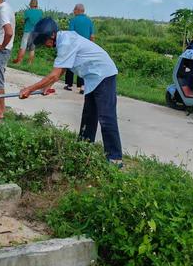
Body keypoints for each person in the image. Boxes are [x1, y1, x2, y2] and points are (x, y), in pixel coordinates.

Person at [19, 17, 122, 165]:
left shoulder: (66, 42)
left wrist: (29, 89)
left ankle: (115, 157)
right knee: (89, 115)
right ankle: (83, 148)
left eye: (45, 40)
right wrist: (46, 87)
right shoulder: (63, 40)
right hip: (93, 77)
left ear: (52, 35)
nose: (46, 45)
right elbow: (62, 70)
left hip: (104, 74)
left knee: (106, 117)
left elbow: (55, 74)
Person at [64, 3, 95, 94]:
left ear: (78, 10)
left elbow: (71, 34)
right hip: (85, 47)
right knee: (83, 65)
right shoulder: (89, 21)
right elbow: (92, 36)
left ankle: (69, 85)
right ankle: (82, 86)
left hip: (74, 45)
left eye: (74, 9)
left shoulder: (73, 20)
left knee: (71, 64)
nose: (73, 11)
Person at [13, 0, 43, 65]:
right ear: (36, 5)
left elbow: (25, 20)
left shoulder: (27, 12)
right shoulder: (40, 12)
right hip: (36, 32)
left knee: (23, 46)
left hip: (27, 31)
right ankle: (30, 63)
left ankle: (19, 62)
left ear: (30, 4)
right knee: (32, 48)